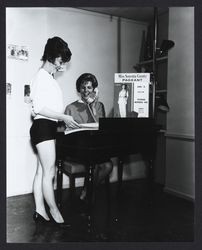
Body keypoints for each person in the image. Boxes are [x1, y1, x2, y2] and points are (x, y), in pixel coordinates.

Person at [30, 37, 80, 226]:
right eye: (60, 62)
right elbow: (40, 108)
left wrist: (61, 118)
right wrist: (64, 117)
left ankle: (40, 210)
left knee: (41, 172)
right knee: (49, 172)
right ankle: (54, 211)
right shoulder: (42, 76)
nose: (61, 66)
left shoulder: (44, 77)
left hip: (44, 127)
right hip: (44, 126)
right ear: (52, 56)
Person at [63, 73, 113, 201]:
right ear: (78, 89)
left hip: (94, 148)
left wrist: (94, 108)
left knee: (108, 166)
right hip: (77, 148)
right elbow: (66, 132)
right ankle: (89, 193)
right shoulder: (71, 108)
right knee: (95, 164)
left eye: (89, 88)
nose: (86, 91)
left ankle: (88, 189)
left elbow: (101, 127)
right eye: (83, 88)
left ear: (94, 90)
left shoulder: (99, 106)